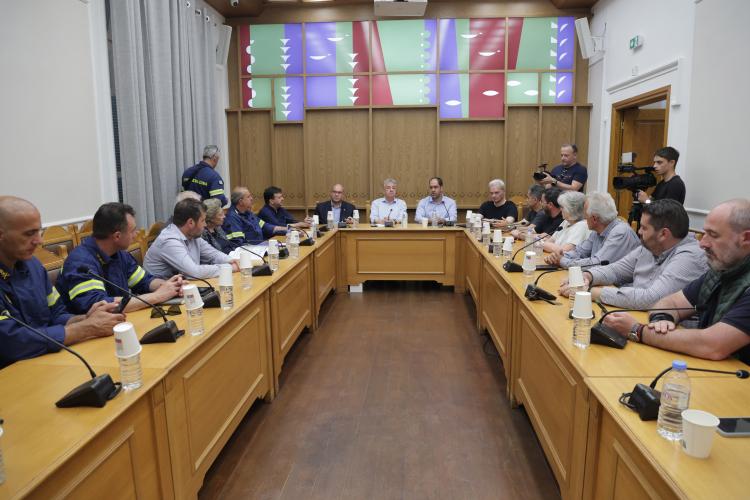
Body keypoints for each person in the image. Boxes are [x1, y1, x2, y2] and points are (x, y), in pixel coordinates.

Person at [602, 199, 750, 363]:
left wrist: (637, 330)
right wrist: (661, 320)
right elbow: (670, 302)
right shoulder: (721, 271)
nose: (703, 243)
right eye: (704, 233)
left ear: (746, 238)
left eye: (713, 235)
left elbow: (713, 345)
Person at [0, 196, 125, 369]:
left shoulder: (34, 267)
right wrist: (85, 328)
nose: (39, 241)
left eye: (39, 232)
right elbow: (12, 342)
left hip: (47, 363)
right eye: (29, 234)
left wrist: (87, 318)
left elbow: (57, 314)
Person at [559, 200, 707, 309]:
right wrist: (588, 276)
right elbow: (615, 270)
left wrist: (589, 291)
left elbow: (651, 299)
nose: (639, 232)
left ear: (663, 234)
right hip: (635, 314)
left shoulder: (690, 257)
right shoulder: (650, 246)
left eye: (644, 228)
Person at [57, 203, 182, 314]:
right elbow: (101, 306)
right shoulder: (80, 263)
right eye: (133, 230)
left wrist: (170, 286)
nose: (136, 234)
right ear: (117, 236)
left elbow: (143, 281)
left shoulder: (119, 253)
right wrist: (157, 296)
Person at [144, 198, 238, 279]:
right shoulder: (169, 241)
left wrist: (232, 261)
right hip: (162, 291)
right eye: (202, 221)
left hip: (184, 287)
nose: (205, 224)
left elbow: (213, 254)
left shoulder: (192, 235)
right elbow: (194, 272)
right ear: (191, 223)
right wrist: (230, 268)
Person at [547, 192, 640, 268]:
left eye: (586, 215)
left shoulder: (620, 232)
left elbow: (597, 263)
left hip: (620, 284)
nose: (584, 217)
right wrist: (559, 256)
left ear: (594, 218)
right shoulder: (597, 231)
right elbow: (580, 252)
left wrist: (563, 261)